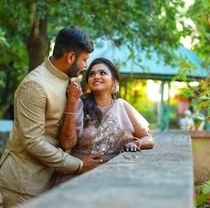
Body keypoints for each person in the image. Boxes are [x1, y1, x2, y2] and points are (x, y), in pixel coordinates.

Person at [0, 26, 103, 207]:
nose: (85, 65)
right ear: (70, 57)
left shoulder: (69, 78)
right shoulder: (35, 85)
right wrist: (77, 165)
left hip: (52, 181)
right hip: (25, 184)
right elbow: (32, 141)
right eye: (84, 60)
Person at [50, 57, 155, 187]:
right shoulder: (79, 104)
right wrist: (71, 102)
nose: (96, 76)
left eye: (102, 73)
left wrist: (136, 142)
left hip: (111, 176)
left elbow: (149, 140)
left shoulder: (122, 106)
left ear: (114, 81)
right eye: (92, 74)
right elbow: (66, 143)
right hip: (78, 176)